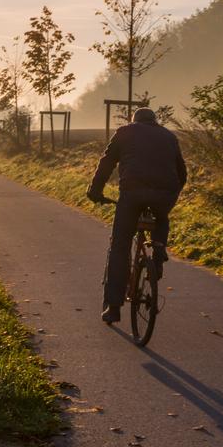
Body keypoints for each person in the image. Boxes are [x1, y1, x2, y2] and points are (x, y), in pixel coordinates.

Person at [87, 107, 188, 324]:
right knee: (161, 216)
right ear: (154, 121)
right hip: (165, 194)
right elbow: (182, 174)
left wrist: (95, 191)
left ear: (135, 120)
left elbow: (106, 163)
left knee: (120, 246)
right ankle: (159, 250)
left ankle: (113, 307)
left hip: (132, 195)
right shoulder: (169, 136)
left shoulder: (125, 131)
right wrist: (171, 194)